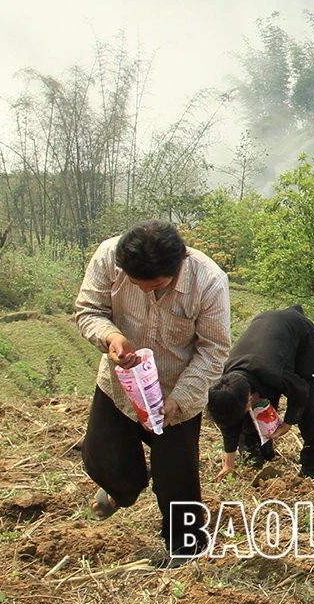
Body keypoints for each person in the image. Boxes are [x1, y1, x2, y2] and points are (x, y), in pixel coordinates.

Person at [75, 219, 230, 564]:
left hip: (176, 390)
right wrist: (110, 337)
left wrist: (180, 399)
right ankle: (123, 488)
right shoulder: (107, 258)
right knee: (102, 459)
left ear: (178, 266)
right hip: (120, 383)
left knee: (178, 481)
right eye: (135, 284)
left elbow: (214, 349)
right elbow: (88, 310)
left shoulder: (208, 280)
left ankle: (185, 551)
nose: (145, 291)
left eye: (154, 285)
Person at [207, 305, 314, 480]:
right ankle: (255, 452)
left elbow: (300, 392)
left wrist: (288, 423)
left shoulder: (274, 372)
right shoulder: (227, 382)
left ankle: (313, 463)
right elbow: (230, 421)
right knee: (245, 414)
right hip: (266, 337)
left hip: (302, 338)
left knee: (310, 408)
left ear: (249, 398)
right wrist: (229, 463)